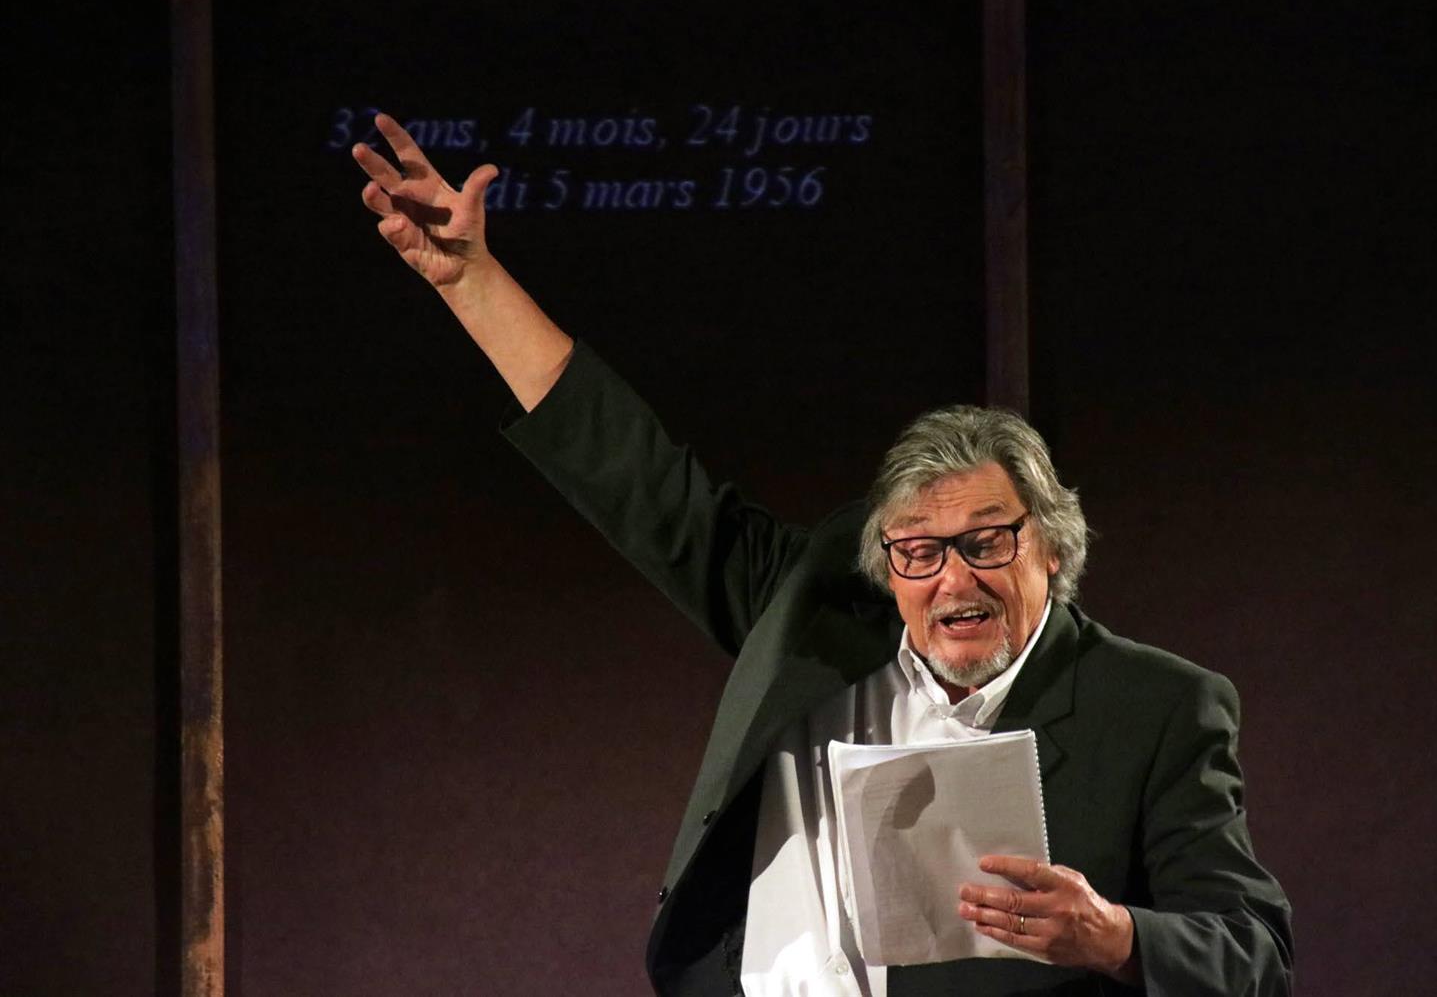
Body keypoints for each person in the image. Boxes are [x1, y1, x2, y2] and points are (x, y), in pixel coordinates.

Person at [353, 113, 1293, 996]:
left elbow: (1254, 954)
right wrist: (471, 282)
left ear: (1051, 544)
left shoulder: (1158, 707)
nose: (953, 579)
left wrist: (1115, 935)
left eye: (985, 542)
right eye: (918, 552)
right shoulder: (812, 612)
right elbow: (634, 476)